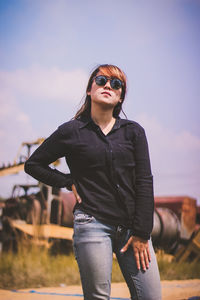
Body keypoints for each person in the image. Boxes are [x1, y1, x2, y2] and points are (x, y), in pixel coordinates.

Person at [24, 64, 161, 300]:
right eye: (101, 80)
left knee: (150, 296)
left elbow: (145, 182)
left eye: (116, 84)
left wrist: (142, 233)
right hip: (92, 223)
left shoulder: (134, 132)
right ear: (90, 90)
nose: (108, 85)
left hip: (133, 229)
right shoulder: (71, 131)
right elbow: (33, 164)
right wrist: (67, 181)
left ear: (120, 97)